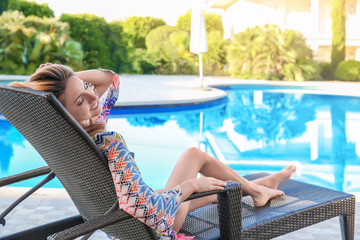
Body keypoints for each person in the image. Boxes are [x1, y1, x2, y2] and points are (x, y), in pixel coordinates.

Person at [10, 64, 296, 240]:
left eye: (88, 88)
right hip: (153, 227)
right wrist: (189, 185)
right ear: (66, 113)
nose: (94, 96)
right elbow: (150, 213)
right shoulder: (109, 141)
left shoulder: (72, 135)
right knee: (195, 159)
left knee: (196, 173)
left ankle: (257, 186)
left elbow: (111, 80)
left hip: (116, 223)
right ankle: (257, 190)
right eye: (81, 100)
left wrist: (70, 81)